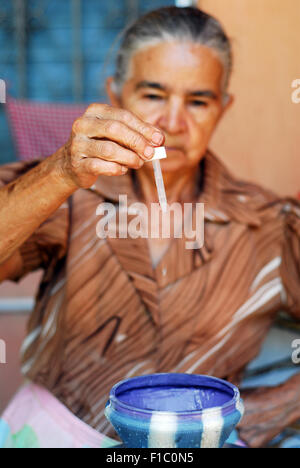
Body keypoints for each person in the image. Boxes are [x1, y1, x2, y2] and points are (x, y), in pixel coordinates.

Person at [0, 6, 299, 449]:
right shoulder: (69, 197)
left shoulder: (269, 226)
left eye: (198, 101)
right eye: (153, 94)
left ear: (223, 107)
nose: (173, 123)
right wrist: (60, 172)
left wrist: (261, 417)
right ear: (115, 94)